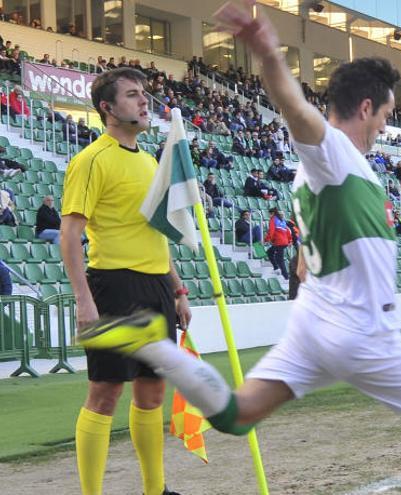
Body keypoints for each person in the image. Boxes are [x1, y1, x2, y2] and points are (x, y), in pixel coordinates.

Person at [77, 4, 401, 493]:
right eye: (385, 115)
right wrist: (269, 54)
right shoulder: (335, 154)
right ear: (367, 108)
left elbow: (306, 253)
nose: (386, 126)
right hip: (363, 328)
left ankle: (154, 345)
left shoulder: (320, 175)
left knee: (238, 415)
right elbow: (296, 110)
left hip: (315, 324)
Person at [61, 67, 189, 495]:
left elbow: (157, 231)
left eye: (144, 94)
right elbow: (70, 235)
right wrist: (84, 301)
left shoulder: (151, 160)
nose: (144, 101)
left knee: (152, 391)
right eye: (133, 95)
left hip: (156, 286)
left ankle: (155, 490)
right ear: (108, 108)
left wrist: (177, 288)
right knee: (105, 392)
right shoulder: (90, 160)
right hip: (113, 284)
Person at [264, 208, 292, 279]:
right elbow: (288, 231)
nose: (269, 215)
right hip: (284, 242)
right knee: (270, 252)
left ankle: (286, 277)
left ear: (272, 213)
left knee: (279, 259)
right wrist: (289, 241)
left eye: (269, 214)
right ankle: (276, 268)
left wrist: (266, 239)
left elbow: (271, 231)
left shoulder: (273, 219)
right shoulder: (282, 220)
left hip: (279, 242)